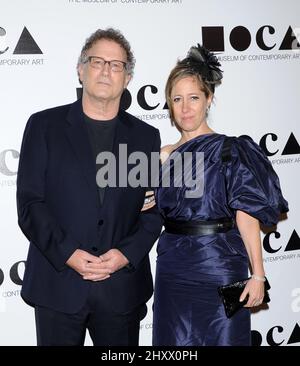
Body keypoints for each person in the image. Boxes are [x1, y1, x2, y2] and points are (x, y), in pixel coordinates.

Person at [16, 28, 163, 346]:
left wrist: (125, 254)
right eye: (97, 61)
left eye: (116, 64)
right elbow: (30, 204)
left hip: (121, 290)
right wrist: (67, 253)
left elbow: (153, 212)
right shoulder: (44, 127)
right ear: (81, 69)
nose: (106, 70)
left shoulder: (145, 137)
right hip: (58, 286)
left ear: (127, 79)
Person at [151, 44, 289, 346]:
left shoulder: (230, 150)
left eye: (194, 98)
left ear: (208, 99)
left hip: (219, 267)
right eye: (177, 99)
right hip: (172, 269)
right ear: (169, 105)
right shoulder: (161, 156)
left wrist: (258, 274)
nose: (185, 108)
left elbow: (246, 215)